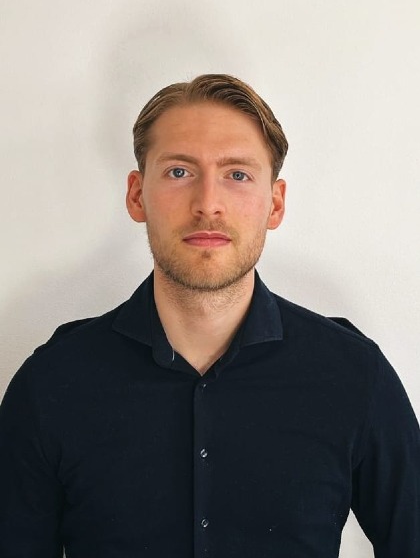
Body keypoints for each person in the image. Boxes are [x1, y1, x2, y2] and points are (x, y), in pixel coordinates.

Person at [0, 74, 418, 558]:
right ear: (137, 195)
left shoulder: (354, 376)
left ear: (275, 203)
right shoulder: (51, 384)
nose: (208, 205)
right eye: (179, 171)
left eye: (237, 175)